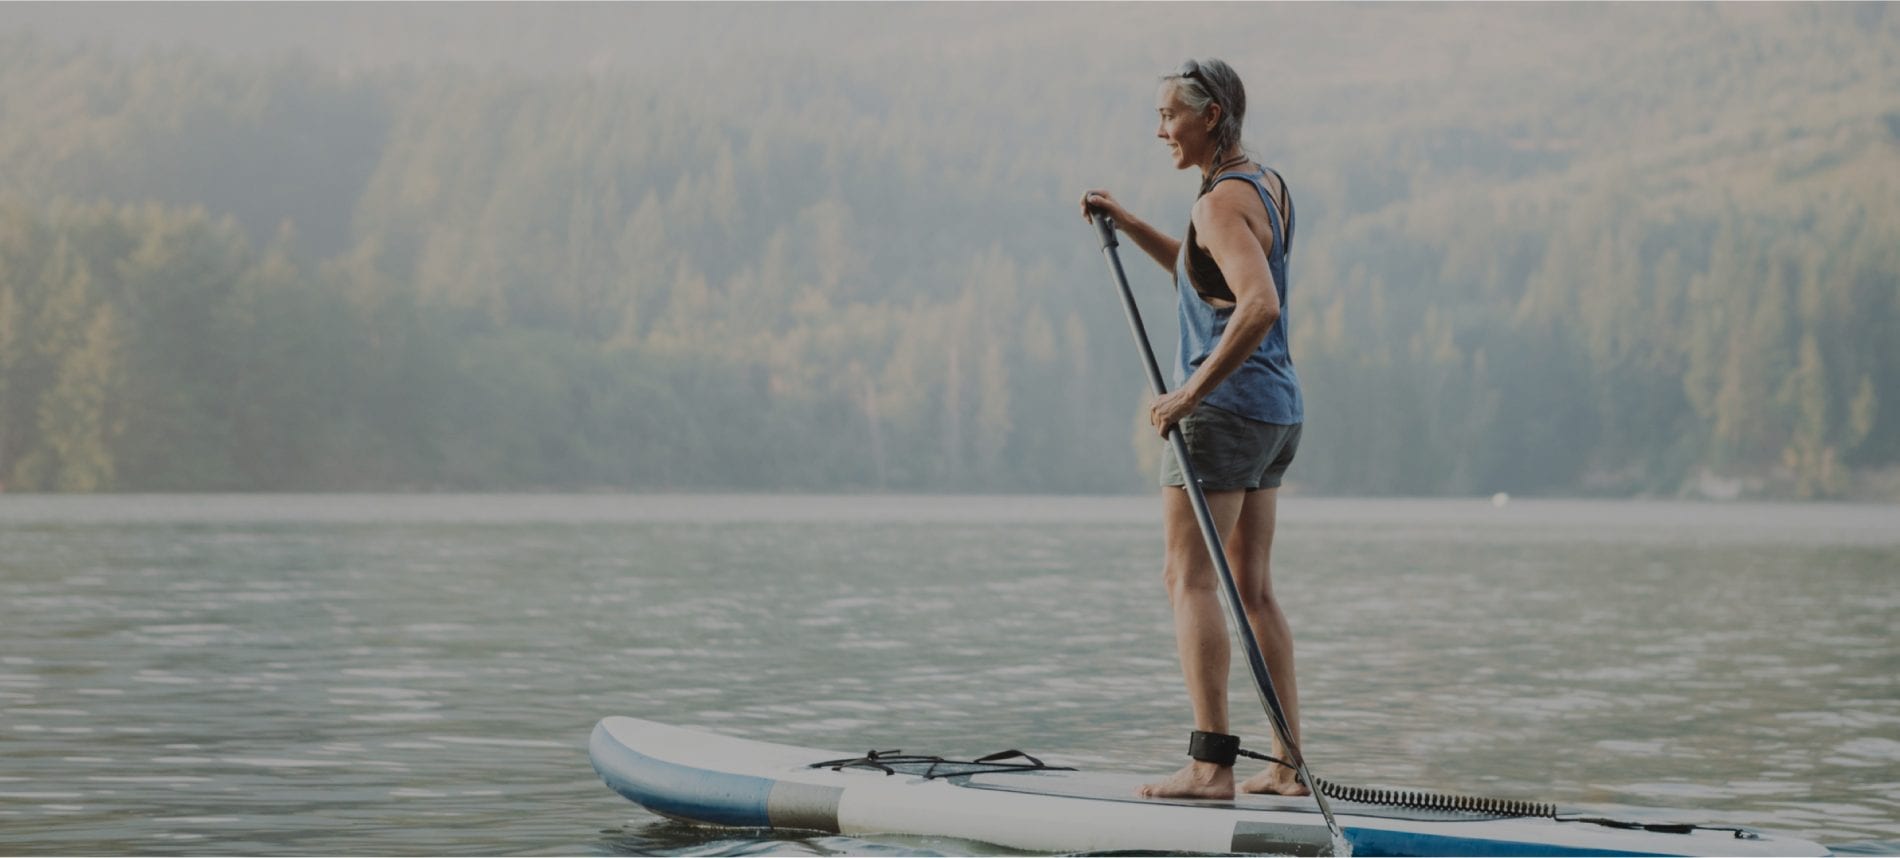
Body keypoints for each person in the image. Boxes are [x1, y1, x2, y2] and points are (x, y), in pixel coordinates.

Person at [1079, 57, 1307, 801]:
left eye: (1170, 115)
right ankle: (1286, 764)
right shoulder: (1263, 186)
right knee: (1255, 589)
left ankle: (1211, 765)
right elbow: (1204, 275)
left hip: (1225, 413)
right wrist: (1133, 223)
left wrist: (1186, 395)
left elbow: (1258, 304)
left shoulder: (1216, 203)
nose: (1160, 129)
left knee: (1188, 578)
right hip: (1274, 411)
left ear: (1210, 117)